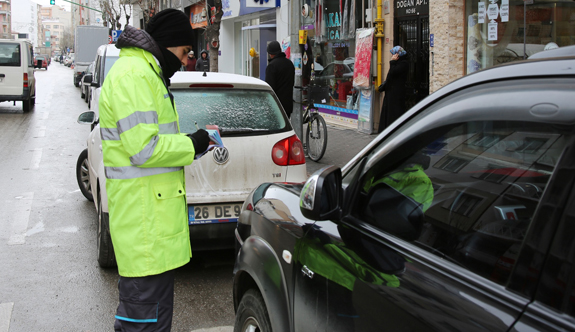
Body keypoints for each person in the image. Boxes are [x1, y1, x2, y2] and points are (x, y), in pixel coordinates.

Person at [98, 8, 210, 331]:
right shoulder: (135, 76)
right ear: (169, 43)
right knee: (143, 326)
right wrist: (194, 144)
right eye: (186, 51)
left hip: (150, 232)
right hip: (144, 234)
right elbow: (144, 149)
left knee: (149, 322)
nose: (188, 59)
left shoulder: (146, 73)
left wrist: (193, 146)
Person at [378, 46, 409, 133]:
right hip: (391, 91)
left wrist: (392, 62)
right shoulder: (398, 63)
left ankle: (392, 130)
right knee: (388, 111)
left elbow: (393, 72)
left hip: (396, 93)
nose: (392, 56)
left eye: (394, 54)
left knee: (394, 112)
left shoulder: (403, 64)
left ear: (398, 54)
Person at [265, 40, 295, 118]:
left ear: (270, 54)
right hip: (288, 105)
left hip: (276, 106)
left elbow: (270, 87)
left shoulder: (272, 66)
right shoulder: (289, 64)